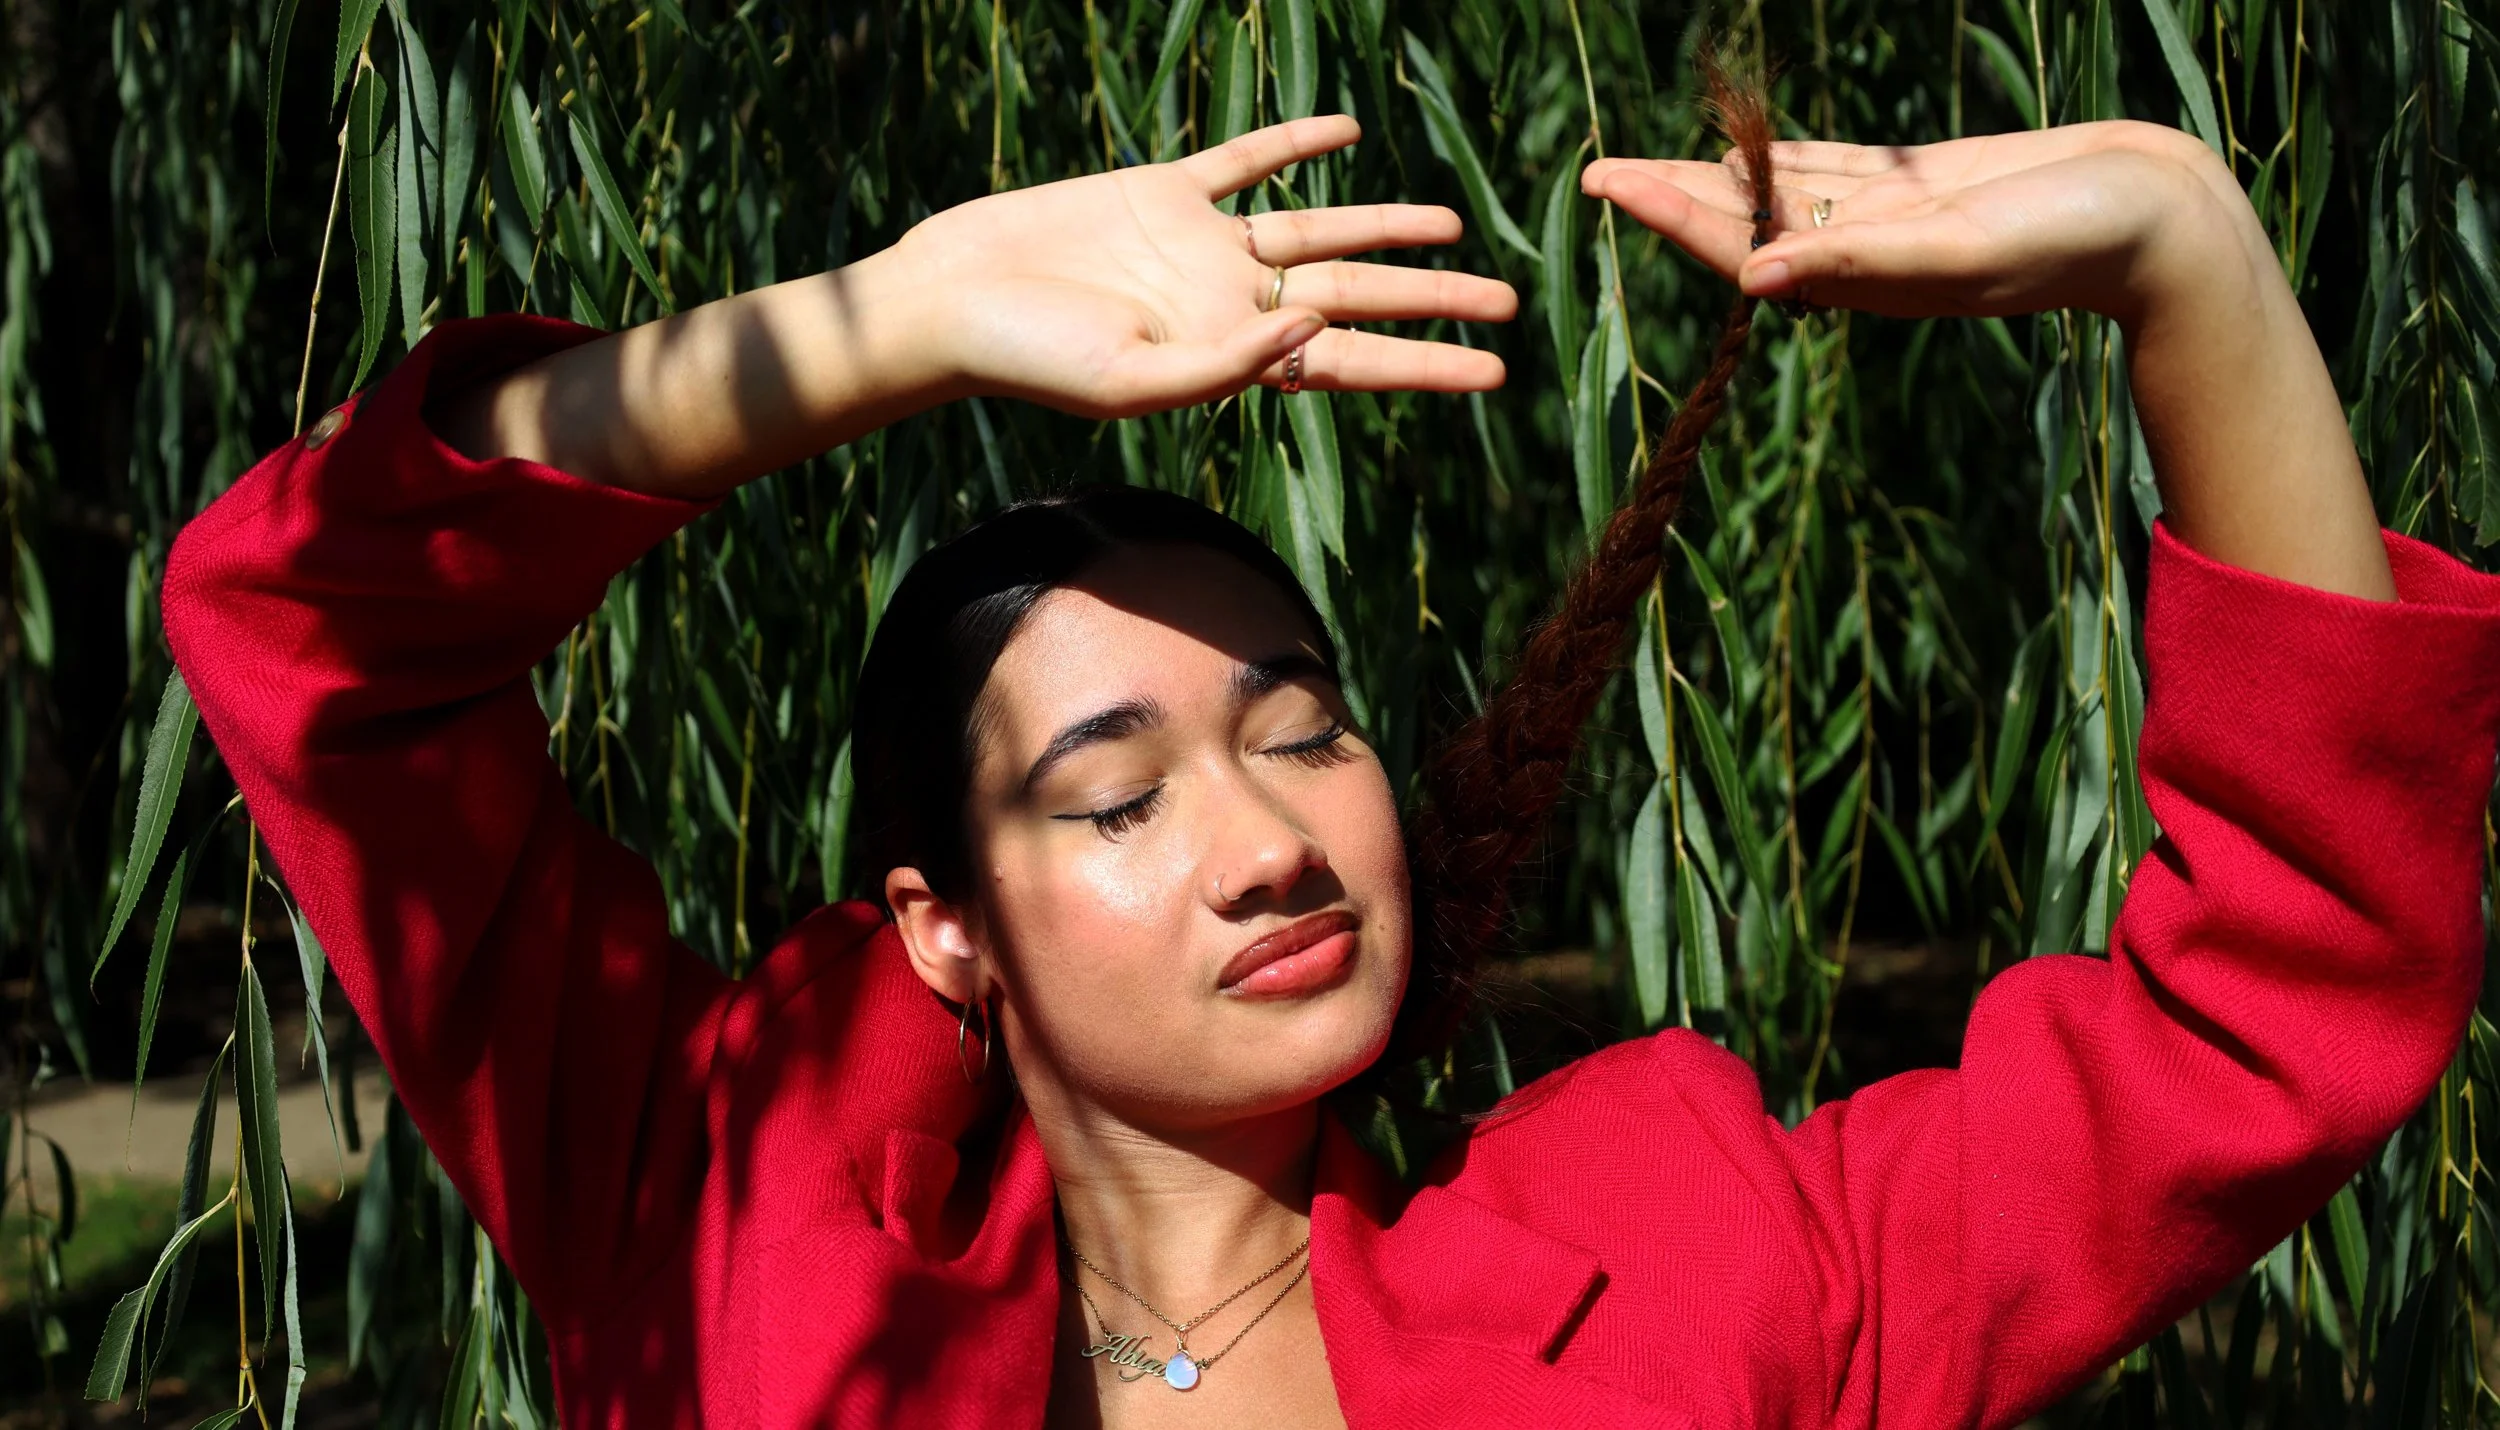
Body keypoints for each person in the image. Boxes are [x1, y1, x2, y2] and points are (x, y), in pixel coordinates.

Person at [160, 79, 2500, 1430]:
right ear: (941, 932)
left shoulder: (1698, 1271)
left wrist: (2192, 254)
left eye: (1304, 734)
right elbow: (301, 635)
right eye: (1118, 792)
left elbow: (2265, 1011)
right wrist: (874, 328)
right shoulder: (717, 1209)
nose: (1270, 840)